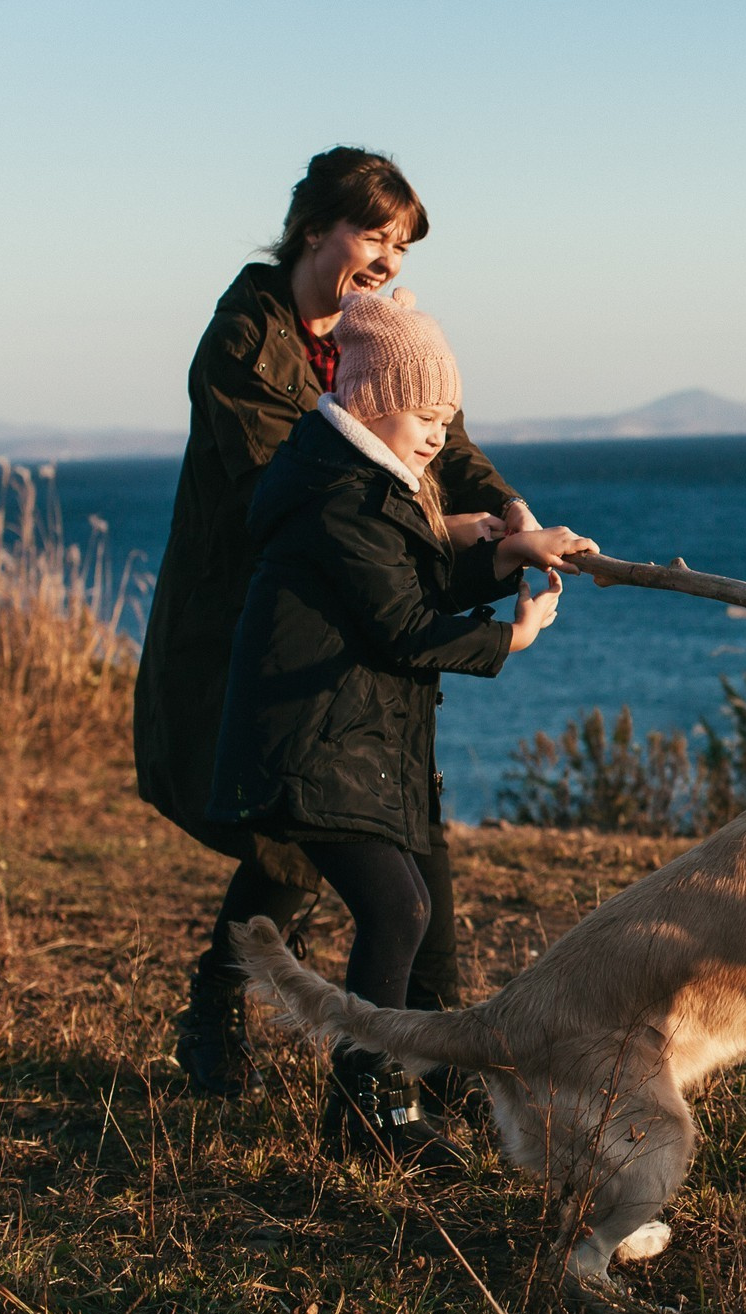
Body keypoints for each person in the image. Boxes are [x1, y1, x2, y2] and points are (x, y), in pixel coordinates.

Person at [134, 148, 546, 1102]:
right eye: (374, 234)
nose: (389, 258)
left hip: (353, 610)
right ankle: (226, 1007)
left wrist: (513, 514)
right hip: (254, 618)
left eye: (401, 243)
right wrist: (452, 535)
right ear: (313, 227)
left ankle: (423, 1051)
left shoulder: (382, 332)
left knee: (383, 825)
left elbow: (442, 431)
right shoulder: (244, 339)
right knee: (300, 829)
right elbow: (297, 493)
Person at [207, 286, 596, 1162]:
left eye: (447, 415)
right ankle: (368, 1110)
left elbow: (408, 592)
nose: (437, 434)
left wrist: (506, 555)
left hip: (347, 740)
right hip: (314, 747)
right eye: (426, 414)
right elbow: (406, 626)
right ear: (375, 401)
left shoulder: (361, 483)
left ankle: (379, 1101)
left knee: (412, 905)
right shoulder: (340, 497)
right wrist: (514, 635)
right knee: (399, 907)